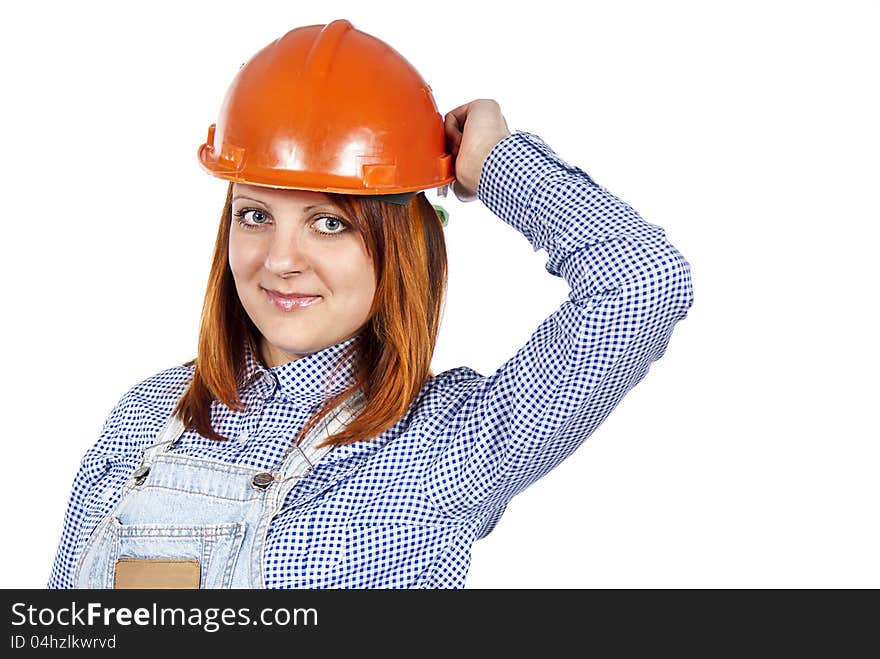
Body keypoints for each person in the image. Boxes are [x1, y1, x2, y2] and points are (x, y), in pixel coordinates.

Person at [48, 19, 694, 589]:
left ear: (399, 245)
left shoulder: (452, 443)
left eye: (330, 223)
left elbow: (640, 281)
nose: (278, 259)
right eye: (254, 215)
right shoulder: (149, 413)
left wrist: (497, 164)